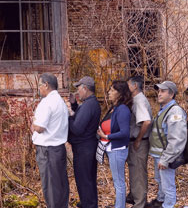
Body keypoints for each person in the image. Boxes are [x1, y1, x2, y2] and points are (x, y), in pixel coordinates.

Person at [32, 72, 70, 208]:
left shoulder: (47, 102)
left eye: (40, 85)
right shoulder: (60, 101)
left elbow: (40, 127)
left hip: (47, 150)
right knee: (60, 184)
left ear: (46, 85)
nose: (39, 88)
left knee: (50, 186)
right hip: (58, 148)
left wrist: (33, 123)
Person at [148, 81, 187, 208]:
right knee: (161, 181)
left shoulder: (175, 111)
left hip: (165, 155)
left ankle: (168, 205)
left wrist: (166, 159)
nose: (159, 94)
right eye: (159, 91)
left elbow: (177, 139)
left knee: (167, 185)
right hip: (159, 154)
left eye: (163, 91)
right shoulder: (164, 110)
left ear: (171, 94)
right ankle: (160, 201)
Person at [96, 81, 131, 208]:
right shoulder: (114, 108)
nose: (109, 92)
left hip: (117, 150)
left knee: (119, 182)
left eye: (112, 90)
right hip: (112, 149)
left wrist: (107, 136)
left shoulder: (122, 110)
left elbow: (125, 132)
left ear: (120, 93)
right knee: (117, 181)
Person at [68, 76, 101, 208]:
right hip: (87, 146)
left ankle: (89, 205)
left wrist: (69, 116)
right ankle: (88, 203)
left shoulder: (89, 105)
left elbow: (77, 128)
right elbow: (83, 119)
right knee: (88, 179)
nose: (78, 92)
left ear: (85, 88)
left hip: (84, 149)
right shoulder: (90, 103)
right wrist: (74, 105)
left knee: (85, 180)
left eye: (79, 89)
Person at [126, 75, 152, 208]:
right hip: (136, 141)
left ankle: (139, 204)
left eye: (128, 85)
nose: (127, 87)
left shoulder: (139, 100)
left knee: (138, 173)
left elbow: (146, 121)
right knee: (134, 170)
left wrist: (138, 139)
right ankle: (134, 197)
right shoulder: (136, 99)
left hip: (139, 142)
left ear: (135, 86)